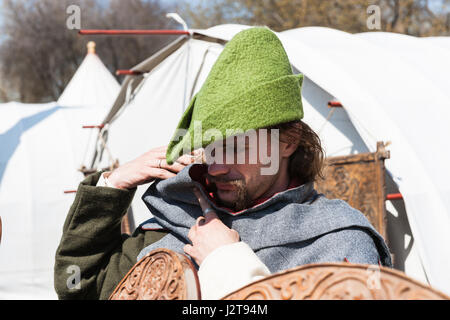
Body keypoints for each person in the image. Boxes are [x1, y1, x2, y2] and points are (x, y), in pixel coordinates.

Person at [54, 27, 391, 300]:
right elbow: (80, 286)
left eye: (236, 148)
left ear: (286, 142)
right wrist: (112, 184)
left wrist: (227, 265)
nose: (214, 167)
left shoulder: (339, 243)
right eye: (210, 149)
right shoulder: (176, 222)